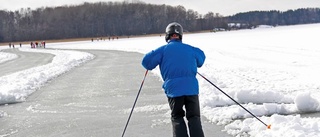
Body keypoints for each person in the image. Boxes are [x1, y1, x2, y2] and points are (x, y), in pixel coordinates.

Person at [142, 22, 206, 137]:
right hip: (191, 89)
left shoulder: (162, 50)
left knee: (177, 117)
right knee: (194, 117)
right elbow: (201, 59)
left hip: (174, 90)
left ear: (168, 35)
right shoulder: (190, 49)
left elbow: (146, 62)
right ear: (180, 35)